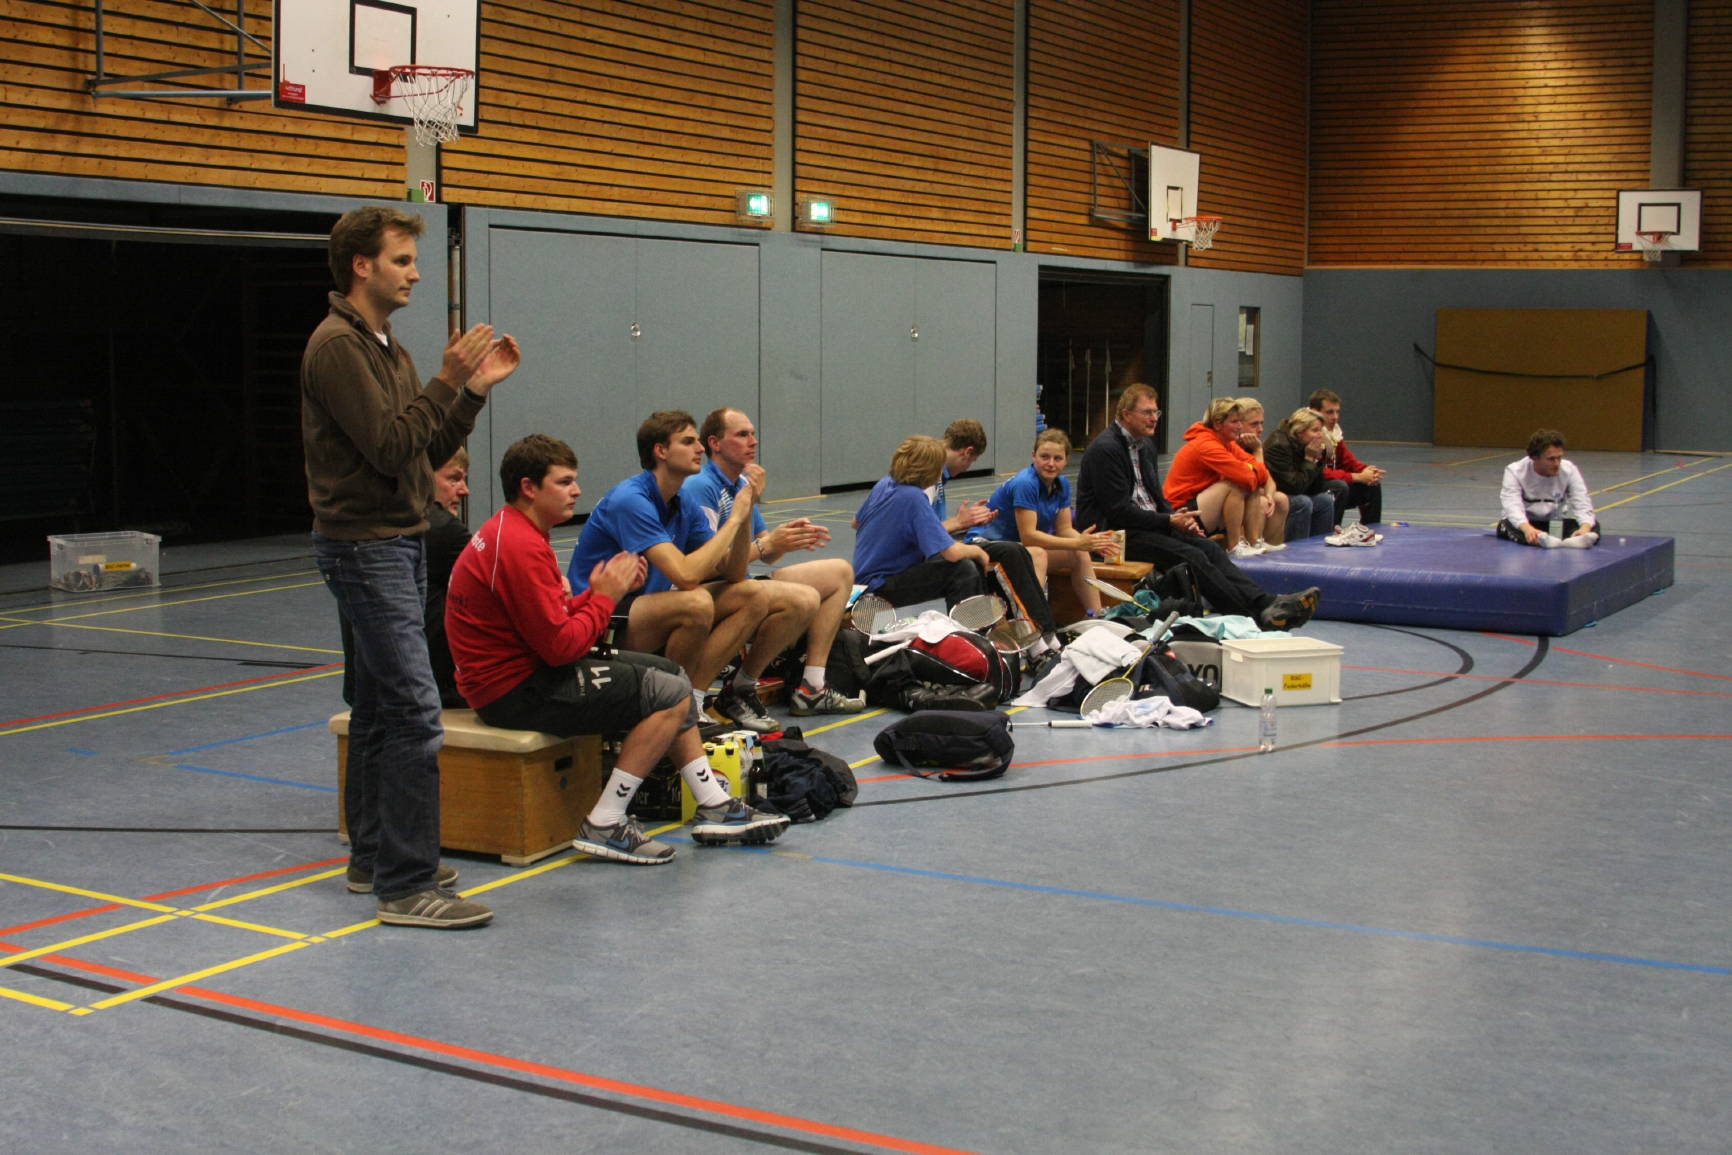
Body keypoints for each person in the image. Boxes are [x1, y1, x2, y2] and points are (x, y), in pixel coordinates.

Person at [302, 204, 520, 929]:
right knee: (415, 713)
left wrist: (472, 389)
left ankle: (374, 857)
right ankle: (406, 883)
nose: (416, 274)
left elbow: (423, 451)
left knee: (376, 706)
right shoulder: (339, 347)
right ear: (361, 265)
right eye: (402, 260)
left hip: (394, 538)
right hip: (364, 547)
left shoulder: (384, 346)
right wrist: (445, 378)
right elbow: (390, 447)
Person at [447, 434, 787, 864]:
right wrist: (605, 598)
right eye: (564, 482)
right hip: (514, 691)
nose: (576, 491)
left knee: (672, 675)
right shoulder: (520, 546)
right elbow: (561, 648)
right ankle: (605, 821)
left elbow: (546, 622)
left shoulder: (514, 531)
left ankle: (713, 804)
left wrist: (595, 595)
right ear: (529, 487)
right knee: (668, 693)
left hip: (517, 675)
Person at [564, 410, 816, 734]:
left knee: (751, 594)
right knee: (695, 603)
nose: (699, 448)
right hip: (603, 618)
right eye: (687, 442)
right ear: (660, 451)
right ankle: (672, 705)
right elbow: (685, 575)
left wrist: (746, 509)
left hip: (648, 607)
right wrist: (735, 519)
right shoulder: (632, 499)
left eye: (698, 441)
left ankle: (692, 700)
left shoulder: (681, 501)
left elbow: (734, 572)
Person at [1075, 383, 1320, 631]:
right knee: (1190, 555)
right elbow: (1118, 512)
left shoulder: (1145, 446)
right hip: (1113, 536)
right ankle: (1255, 617)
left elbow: (1155, 498)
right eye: (1147, 412)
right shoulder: (1106, 450)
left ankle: (1265, 602)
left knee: (1208, 547)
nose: (1154, 418)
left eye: (1156, 412)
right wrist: (1168, 522)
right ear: (1126, 415)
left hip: (1145, 525)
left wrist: (1177, 518)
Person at [682, 408, 864, 715]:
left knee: (840, 572)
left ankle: (812, 687)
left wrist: (785, 539)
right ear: (714, 443)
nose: (753, 441)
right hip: (714, 587)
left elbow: (767, 553)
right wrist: (766, 544)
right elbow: (712, 565)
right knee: (803, 598)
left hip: (740, 580)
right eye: (742, 435)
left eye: (753, 434)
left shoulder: (741, 483)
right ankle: (741, 686)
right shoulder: (702, 486)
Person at [340, 445, 473, 709]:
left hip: (365, 688)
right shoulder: (441, 529)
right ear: (422, 476)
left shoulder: (366, 524)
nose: (464, 490)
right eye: (453, 478)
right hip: (428, 691)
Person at [928, 418, 1062, 645]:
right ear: (967, 452)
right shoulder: (928, 476)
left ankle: (1038, 633)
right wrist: (958, 523)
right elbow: (922, 532)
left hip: (941, 545)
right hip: (925, 555)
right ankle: (1037, 636)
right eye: (972, 461)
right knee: (1005, 555)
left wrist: (964, 522)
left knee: (1017, 553)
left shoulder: (939, 476)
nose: (967, 468)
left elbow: (933, 527)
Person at [978, 429, 1118, 618]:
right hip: (987, 545)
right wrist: (1077, 542)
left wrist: (1090, 543)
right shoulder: (1026, 483)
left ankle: (1096, 616)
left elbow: (1064, 529)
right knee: (1038, 554)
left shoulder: (1062, 484)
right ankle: (1030, 621)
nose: (1051, 464)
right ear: (1033, 456)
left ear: (1066, 460)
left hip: (1017, 548)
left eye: (1057, 458)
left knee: (1079, 553)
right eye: (1044, 457)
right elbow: (1029, 537)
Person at [853, 435, 990, 610]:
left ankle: (980, 621)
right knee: (962, 570)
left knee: (956, 561)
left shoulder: (885, 483)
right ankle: (968, 626)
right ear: (931, 470)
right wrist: (978, 551)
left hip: (862, 577)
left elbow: (856, 522)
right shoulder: (914, 498)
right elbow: (953, 554)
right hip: (879, 585)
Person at [1162, 397, 1281, 558]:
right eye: (1234, 422)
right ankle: (1234, 546)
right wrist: (1252, 469)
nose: (1239, 426)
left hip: (1203, 504)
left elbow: (1262, 476)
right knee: (1236, 485)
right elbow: (1247, 477)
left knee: (1255, 489)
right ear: (1218, 424)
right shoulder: (1206, 445)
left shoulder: (1227, 443)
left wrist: (1255, 461)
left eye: (1240, 421)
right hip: (1182, 511)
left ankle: (1254, 541)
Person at [1497, 430, 1600, 548]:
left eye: (1559, 458)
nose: (1556, 464)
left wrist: (1584, 528)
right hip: (1526, 523)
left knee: (1593, 525)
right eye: (1551, 459)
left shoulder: (1569, 470)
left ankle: (1572, 539)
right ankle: (1548, 540)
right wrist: (1527, 529)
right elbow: (1512, 506)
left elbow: (1582, 502)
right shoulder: (1515, 471)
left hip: (1554, 523)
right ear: (1535, 457)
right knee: (1507, 526)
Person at [1306, 388, 1385, 526]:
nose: (1335, 417)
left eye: (1337, 412)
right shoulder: (1307, 433)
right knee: (1339, 487)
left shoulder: (1333, 434)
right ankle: (1332, 530)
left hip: (1328, 482)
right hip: (1310, 487)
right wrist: (1356, 477)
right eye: (1329, 412)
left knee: (1371, 484)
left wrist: (1368, 471)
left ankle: (1369, 530)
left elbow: (1348, 461)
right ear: (1314, 412)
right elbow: (1318, 473)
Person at [1260, 408, 1338, 541]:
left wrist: (1318, 459)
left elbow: (1316, 488)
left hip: (1294, 490)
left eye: (1321, 430)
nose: (1320, 435)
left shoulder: (1304, 445)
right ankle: (1296, 547)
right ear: (1300, 431)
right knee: (1303, 503)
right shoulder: (1279, 445)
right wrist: (1309, 459)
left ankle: (1319, 545)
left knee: (1325, 500)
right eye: (1315, 430)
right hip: (1277, 494)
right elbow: (1294, 487)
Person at [1231, 399, 1291, 549]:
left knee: (1280, 499)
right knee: (1261, 501)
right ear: (1238, 424)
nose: (1260, 429)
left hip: (1247, 496)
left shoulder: (1250, 446)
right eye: (1254, 424)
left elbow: (1269, 481)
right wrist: (1258, 451)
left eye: (1261, 423)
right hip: (1231, 500)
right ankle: (1253, 547)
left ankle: (1271, 549)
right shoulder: (1230, 446)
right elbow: (1255, 484)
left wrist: (1270, 494)